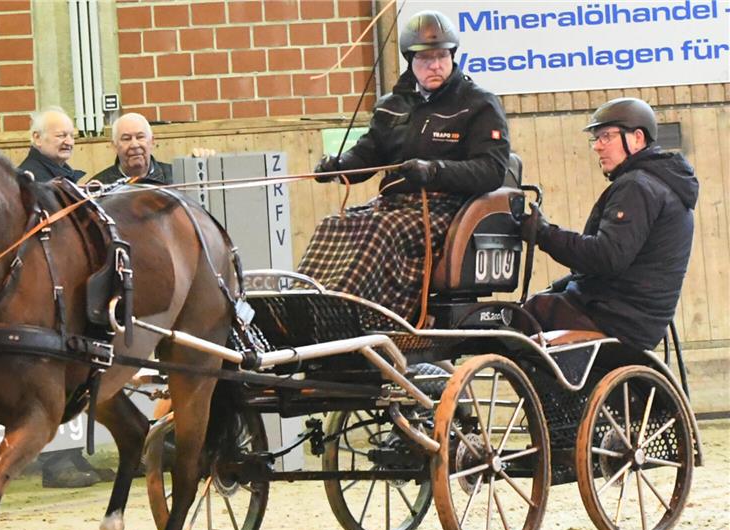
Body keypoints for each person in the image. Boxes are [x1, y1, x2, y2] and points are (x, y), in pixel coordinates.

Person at [299, 9, 510, 320]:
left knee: (382, 228)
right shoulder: (392, 105)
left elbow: (492, 170)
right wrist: (338, 167)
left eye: (441, 56)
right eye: (426, 59)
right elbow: (368, 156)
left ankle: (348, 315)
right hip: (394, 205)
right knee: (334, 223)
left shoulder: (478, 104)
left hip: (445, 210)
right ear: (411, 61)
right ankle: (305, 304)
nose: (435, 65)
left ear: (452, 56)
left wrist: (434, 171)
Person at [520, 98, 698, 351]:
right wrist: (557, 286)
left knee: (518, 319)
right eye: (596, 139)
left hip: (618, 318)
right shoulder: (661, 184)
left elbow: (606, 257)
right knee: (542, 302)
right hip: (633, 315)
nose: (598, 147)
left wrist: (544, 234)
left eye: (606, 137)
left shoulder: (637, 186)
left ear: (637, 138)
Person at [17, 107, 113, 488]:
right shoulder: (29, 179)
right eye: (59, 135)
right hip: (48, 292)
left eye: (70, 134)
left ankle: (70, 458)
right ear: (36, 139)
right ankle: (57, 462)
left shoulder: (65, 178)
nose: (68, 140)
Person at [90, 112, 174, 183]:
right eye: (126, 138)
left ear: (151, 142)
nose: (134, 145)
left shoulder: (176, 177)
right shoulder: (97, 186)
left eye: (140, 137)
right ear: (114, 146)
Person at [19, 106, 86, 183]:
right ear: (37, 138)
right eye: (61, 135)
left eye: (72, 136)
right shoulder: (30, 181)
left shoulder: (64, 174)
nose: (69, 142)